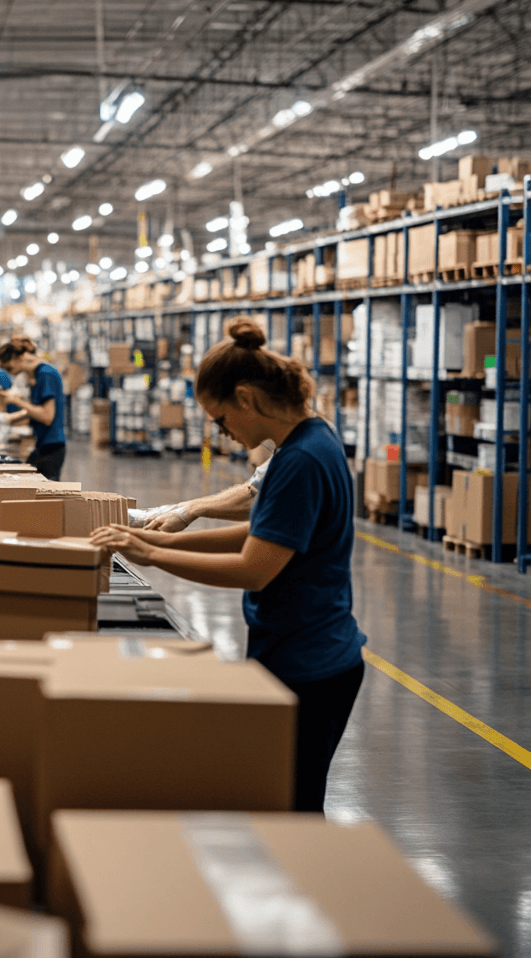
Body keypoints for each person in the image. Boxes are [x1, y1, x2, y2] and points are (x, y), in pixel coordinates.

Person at [91, 318, 366, 814]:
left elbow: (253, 569)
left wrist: (150, 555)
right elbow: (266, 536)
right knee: (284, 797)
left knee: (293, 807)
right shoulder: (307, 443)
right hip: (300, 649)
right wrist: (169, 531)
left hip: (312, 661)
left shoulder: (301, 460)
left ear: (246, 398)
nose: (224, 431)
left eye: (221, 418)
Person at [143, 444, 274, 531]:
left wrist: (153, 547)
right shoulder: (284, 450)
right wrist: (188, 508)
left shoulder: (291, 456)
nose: (225, 433)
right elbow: (253, 488)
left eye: (221, 421)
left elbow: (256, 499)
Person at [0, 336, 67, 481]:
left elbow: (47, 416)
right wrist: (5, 420)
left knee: (47, 497)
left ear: (18, 359)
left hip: (52, 447)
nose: (11, 372)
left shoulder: (46, 374)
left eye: (9, 368)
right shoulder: (35, 376)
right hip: (41, 444)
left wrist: (18, 402)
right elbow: (34, 411)